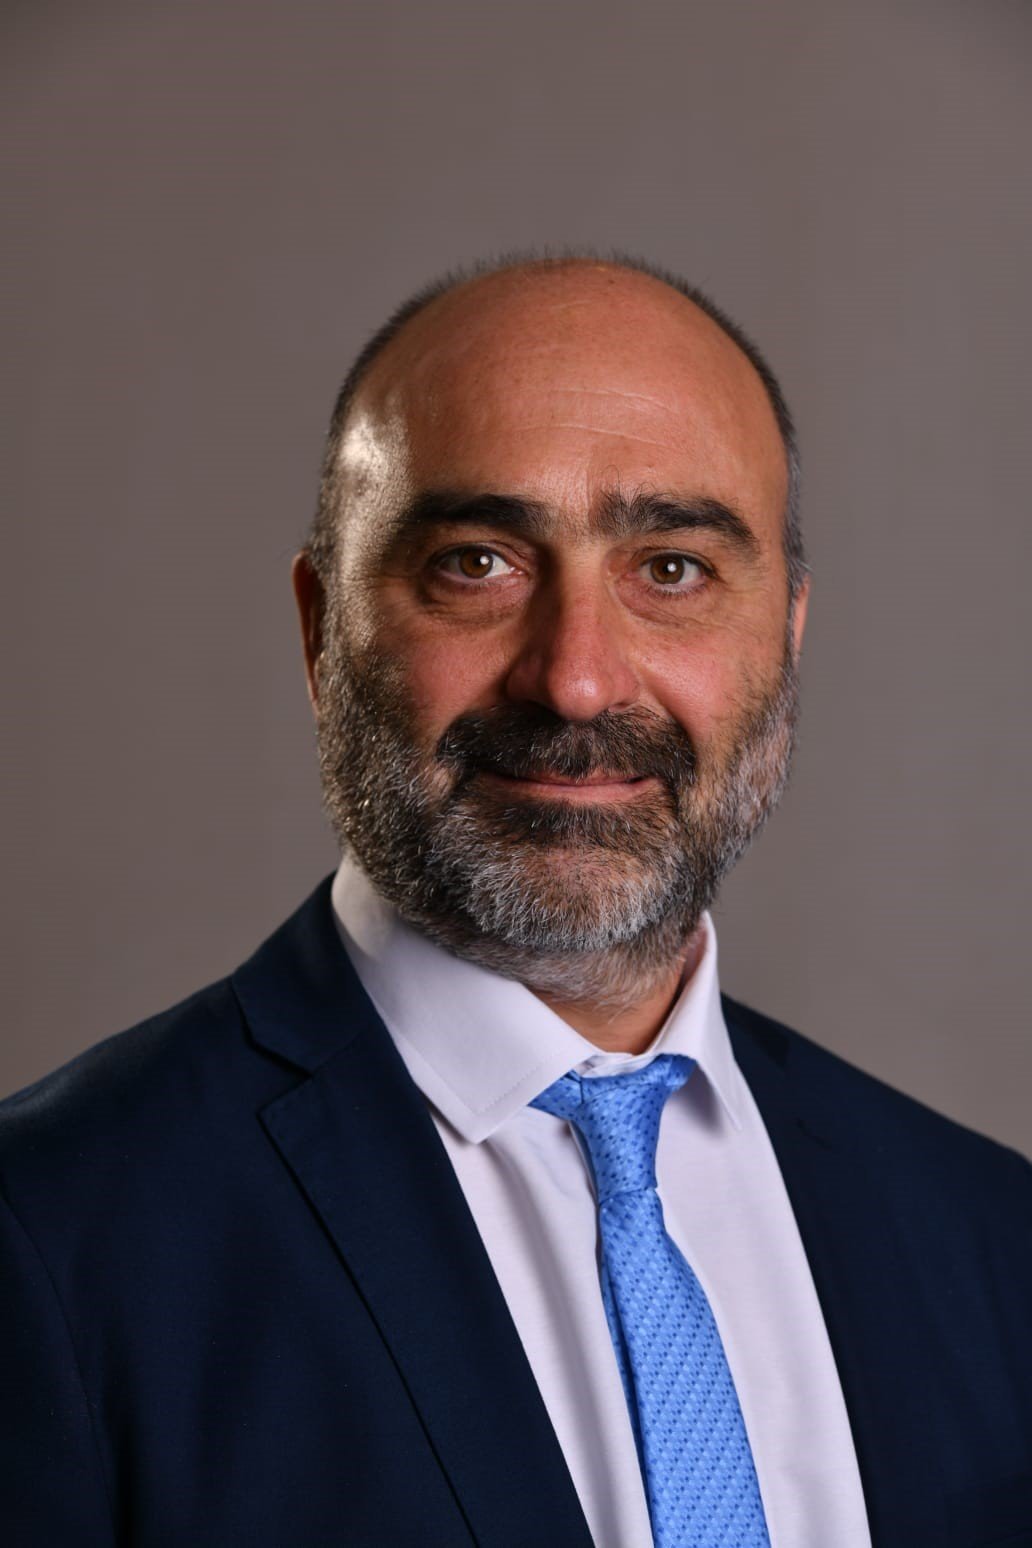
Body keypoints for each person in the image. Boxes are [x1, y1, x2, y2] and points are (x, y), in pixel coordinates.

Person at [1, 255, 1029, 1548]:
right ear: (321, 632)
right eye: (477, 562)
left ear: (786, 634)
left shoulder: (992, 1241)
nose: (577, 680)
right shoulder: (50, 1241)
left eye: (672, 569)